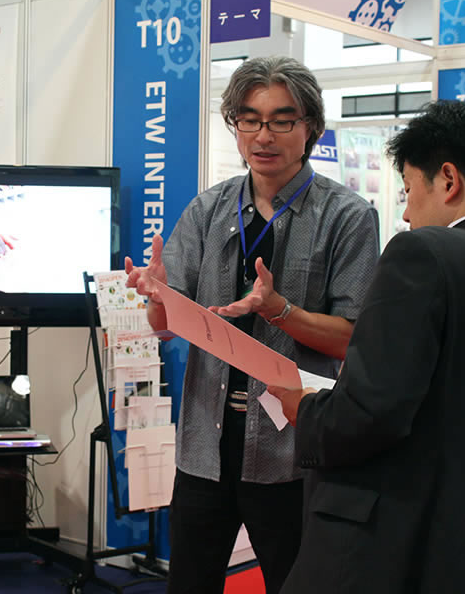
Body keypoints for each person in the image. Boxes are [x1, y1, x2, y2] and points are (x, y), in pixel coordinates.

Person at [270, 100, 465, 594]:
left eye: (408, 190)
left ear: (448, 180)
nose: (406, 213)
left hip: (387, 550)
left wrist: (307, 408)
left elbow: (370, 411)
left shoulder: (422, 253)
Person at [125, 56, 380, 593]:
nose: (264, 136)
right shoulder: (207, 210)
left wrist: (279, 310)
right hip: (205, 442)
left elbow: (354, 337)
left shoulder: (347, 216)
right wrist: (156, 297)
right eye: (250, 119)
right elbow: (165, 326)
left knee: (298, 585)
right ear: (235, 126)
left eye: (282, 120)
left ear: (310, 127)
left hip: (292, 450)